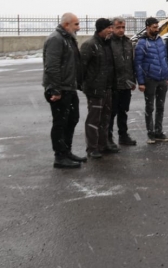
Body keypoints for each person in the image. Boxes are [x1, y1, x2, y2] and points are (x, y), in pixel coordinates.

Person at [43, 12, 85, 169]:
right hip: (59, 89)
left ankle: (67, 151)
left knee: (72, 119)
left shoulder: (69, 39)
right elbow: (52, 66)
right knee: (60, 123)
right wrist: (55, 90)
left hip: (69, 88)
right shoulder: (56, 39)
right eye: (76, 24)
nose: (78, 28)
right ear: (66, 25)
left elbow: (74, 64)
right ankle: (59, 156)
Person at [80, 18, 118, 160]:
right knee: (94, 119)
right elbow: (81, 68)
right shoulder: (89, 45)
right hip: (95, 89)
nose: (111, 30)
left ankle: (103, 144)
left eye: (111, 28)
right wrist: (85, 85)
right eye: (108, 28)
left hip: (107, 88)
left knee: (105, 118)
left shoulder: (108, 44)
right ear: (100, 29)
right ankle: (92, 148)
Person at [135, 17, 168, 144]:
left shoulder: (160, 41)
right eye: (154, 27)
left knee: (160, 107)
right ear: (148, 27)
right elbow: (138, 64)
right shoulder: (142, 43)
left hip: (162, 79)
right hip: (150, 79)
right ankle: (150, 134)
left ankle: (159, 132)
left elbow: (165, 58)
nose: (157, 29)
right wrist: (141, 82)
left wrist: (167, 76)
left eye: (157, 27)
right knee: (149, 107)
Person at [109, 17, 137, 147]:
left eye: (123, 28)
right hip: (113, 84)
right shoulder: (108, 42)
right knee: (111, 113)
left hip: (126, 83)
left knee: (123, 111)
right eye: (118, 27)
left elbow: (131, 63)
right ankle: (108, 138)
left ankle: (123, 135)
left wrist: (132, 80)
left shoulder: (127, 42)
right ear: (112, 28)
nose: (121, 30)